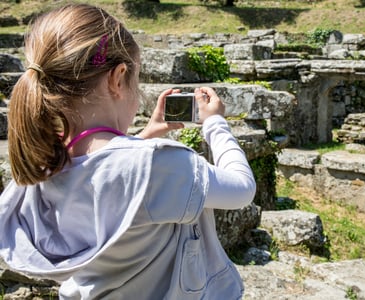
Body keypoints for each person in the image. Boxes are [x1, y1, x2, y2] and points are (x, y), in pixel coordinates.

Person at [0, 3, 256, 299]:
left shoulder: (45, 166)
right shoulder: (161, 165)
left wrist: (148, 135)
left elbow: (110, 170)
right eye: (136, 80)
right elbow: (242, 190)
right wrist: (215, 124)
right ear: (117, 78)